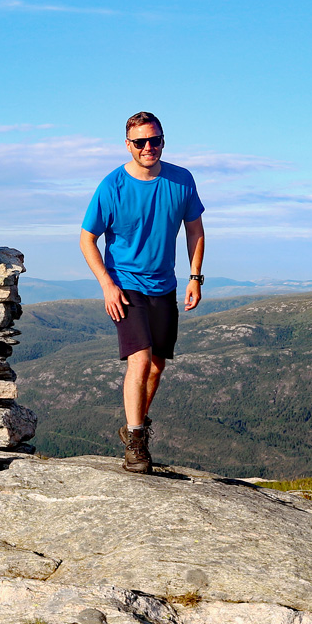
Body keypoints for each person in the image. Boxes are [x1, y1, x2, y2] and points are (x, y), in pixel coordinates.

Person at [79, 111, 205, 473]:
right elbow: (88, 239)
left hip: (164, 285)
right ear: (128, 145)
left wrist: (196, 277)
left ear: (163, 141)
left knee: (158, 365)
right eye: (141, 142)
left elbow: (195, 230)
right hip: (125, 285)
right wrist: (107, 284)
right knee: (141, 359)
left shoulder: (182, 180)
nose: (149, 148)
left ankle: (136, 425)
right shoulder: (112, 186)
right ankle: (136, 442)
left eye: (156, 140)